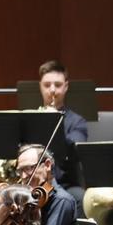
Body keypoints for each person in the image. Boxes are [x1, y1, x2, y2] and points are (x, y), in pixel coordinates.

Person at [37, 60, 89, 198]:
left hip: (64, 184)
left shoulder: (78, 122)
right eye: (47, 85)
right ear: (40, 87)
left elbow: (73, 151)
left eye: (58, 85)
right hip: (31, 182)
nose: (52, 90)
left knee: (79, 196)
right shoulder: (30, 119)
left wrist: (53, 122)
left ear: (66, 87)